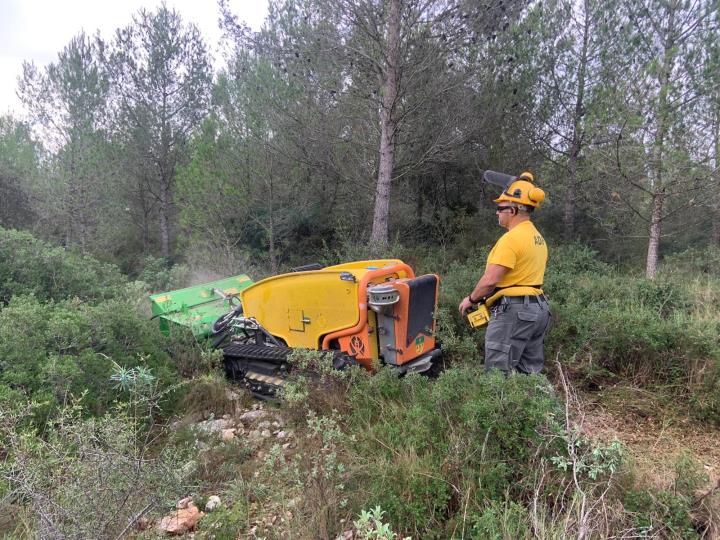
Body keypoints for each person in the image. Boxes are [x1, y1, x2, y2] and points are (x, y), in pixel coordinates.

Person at [458, 171, 551, 374]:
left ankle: (497, 406)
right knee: (530, 372)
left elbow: (490, 280)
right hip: (539, 309)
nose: (497, 212)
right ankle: (537, 405)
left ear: (513, 209)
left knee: (497, 374)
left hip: (514, 311)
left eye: (500, 208)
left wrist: (472, 299)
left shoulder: (511, 239)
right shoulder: (538, 238)